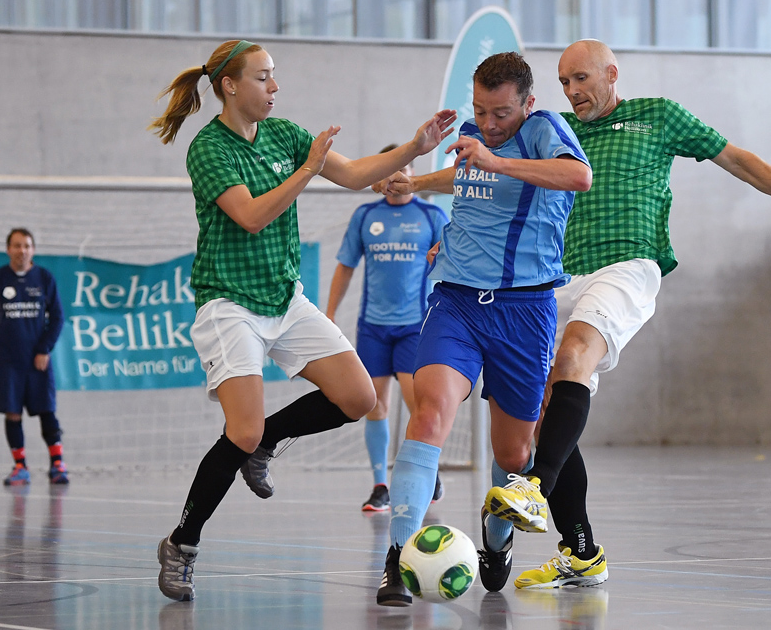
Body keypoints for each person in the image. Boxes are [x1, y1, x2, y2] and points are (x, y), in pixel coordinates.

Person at [485, 39, 771, 590]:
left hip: (627, 266)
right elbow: (487, 175)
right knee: (540, 410)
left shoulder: (657, 115)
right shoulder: (555, 131)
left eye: (580, 79)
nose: (572, 91)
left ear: (611, 73)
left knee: (573, 355)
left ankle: (532, 487)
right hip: (559, 276)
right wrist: (420, 187)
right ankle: (581, 551)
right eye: (563, 83)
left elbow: (739, 160)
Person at [147, 39, 455, 602]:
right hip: (229, 303)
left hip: (283, 298)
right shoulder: (208, 149)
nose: (275, 87)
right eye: (264, 78)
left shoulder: (285, 133)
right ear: (231, 86)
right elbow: (251, 216)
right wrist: (308, 169)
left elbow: (359, 174)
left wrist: (415, 144)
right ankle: (182, 543)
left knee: (359, 398)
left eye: (275, 76)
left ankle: (268, 445)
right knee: (241, 428)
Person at [373, 51, 592, 607]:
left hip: (524, 312)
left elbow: (578, 176)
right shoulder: (475, 135)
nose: (488, 124)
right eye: (480, 111)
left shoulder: (544, 131)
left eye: (500, 113)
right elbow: (465, 176)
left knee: (514, 455)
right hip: (457, 303)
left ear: (527, 104)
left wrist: (496, 161)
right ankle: (396, 561)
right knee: (429, 412)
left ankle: (497, 543)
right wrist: (415, 181)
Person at [325, 145, 449, 512]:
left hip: (415, 326)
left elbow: (450, 261)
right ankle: (380, 484)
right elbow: (345, 266)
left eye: (403, 169)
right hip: (373, 328)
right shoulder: (365, 216)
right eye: (389, 170)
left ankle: (428, 469)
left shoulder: (430, 214)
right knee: (375, 406)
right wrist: (328, 314)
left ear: (412, 173)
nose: (395, 177)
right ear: (377, 175)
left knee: (419, 405)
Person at [0, 228, 69, 486]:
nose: (22, 250)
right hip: (7, 361)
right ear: (8, 250)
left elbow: (58, 318)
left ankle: (58, 464)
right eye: (16, 246)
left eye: (26, 245)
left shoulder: (44, 278)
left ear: (33, 250)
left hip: (37, 361)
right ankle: (20, 467)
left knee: (47, 410)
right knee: (12, 413)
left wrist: (44, 349)